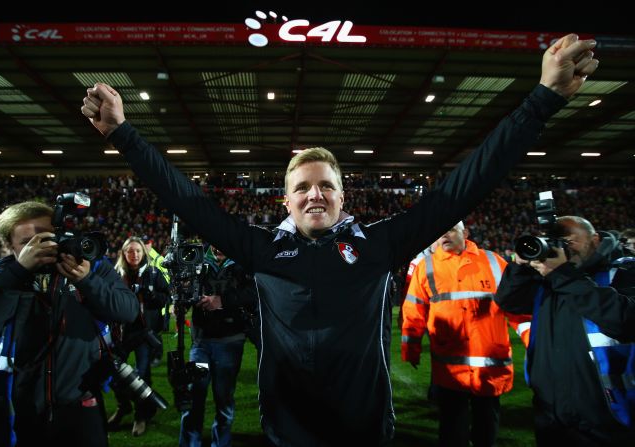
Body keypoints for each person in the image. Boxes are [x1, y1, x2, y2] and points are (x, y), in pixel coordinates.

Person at [81, 34, 598, 446]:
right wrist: (123, 134)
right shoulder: (262, 249)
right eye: (301, 187)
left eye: (326, 185)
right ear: (286, 201)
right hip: (288, 430)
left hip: (364, 428)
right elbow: (187, 201)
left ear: (342, 195)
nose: (314, 195)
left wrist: (542, 100)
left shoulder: (377, 245)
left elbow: (462, 190)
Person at [0, 201, 139, 446]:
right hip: (24, 409)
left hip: (83, 402)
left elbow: (129, 311)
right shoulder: (1, 278)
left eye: (47, 237)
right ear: (8, 247)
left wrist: (87, 280)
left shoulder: (90, 266)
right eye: (28, 243)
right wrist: (18, 274)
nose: (42, 247)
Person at [494, 216, 635, 445]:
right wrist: (519, 267)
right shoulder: (549, 278)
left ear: (595, 240)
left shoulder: (623, 270)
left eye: (569, 242)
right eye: (556, 242)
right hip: (551, 414)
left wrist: (563, 275)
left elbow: (625, 320)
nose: (562, 249)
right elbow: (508, 302)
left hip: (607, 415)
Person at [401, 221, 530, 446]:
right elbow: (414, 311)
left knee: (486, 428)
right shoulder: (427, 266)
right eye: (439, 232)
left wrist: (533, 341)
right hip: (450, 370)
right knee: (452, 430)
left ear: (466, 233)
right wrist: (410, 347)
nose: (443, 236)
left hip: (489, 366)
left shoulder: (493, 262)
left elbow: (516, 308)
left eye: (450, 229)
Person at [179, 245, 257, 447]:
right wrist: (184, 289)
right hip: (201, 342)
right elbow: (183, 298)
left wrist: (222, 300)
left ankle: (220, 443)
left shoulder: (243, 262)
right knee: (194, 395)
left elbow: (253, 293)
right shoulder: (196, 261)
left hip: (230, 342)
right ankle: (189, 443)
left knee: (223, 400)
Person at [106, 236, 170, 436]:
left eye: (138, 251)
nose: (134, 255)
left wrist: (150, 295)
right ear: (123, 253)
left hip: (143, 332)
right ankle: (123, 406)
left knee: (141, 376)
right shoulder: (116, 273)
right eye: (129, 251)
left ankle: (141, 415)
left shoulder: (152, 272)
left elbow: (166, 297)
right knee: (113, 375)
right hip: (121, 332)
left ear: (144, 253)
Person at [142, 235, 170, 366]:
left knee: (155, 331)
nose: (145, 246)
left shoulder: (159, 260)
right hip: (146, 303)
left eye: (146, 243)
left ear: (150, 244)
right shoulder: (143, 259)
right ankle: (148, 356)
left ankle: (157, 356)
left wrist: (166, 303)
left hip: (158, 304)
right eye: (143, 244)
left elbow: (167, 282)